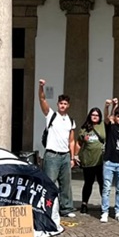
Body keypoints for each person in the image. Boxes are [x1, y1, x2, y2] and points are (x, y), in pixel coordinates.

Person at [38, 78, 77, 218]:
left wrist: (72, 157)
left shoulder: (71, 121)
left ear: (68, 105)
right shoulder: (51, 115)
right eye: (61, 103)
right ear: (58, 104)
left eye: (65, 104)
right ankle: (45, 207)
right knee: (49, 183)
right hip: (52, 155)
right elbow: (42, 100)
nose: (63, 105)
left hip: (65, 155)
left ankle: (66, 208)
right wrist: (41, 87)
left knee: (66, 184)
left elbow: (71, 141)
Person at [100, 99, 119, 223]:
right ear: (115, 117)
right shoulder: (111, 126)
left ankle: (118, 211)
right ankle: (104, 212)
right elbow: (107, 117)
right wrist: (108, 106)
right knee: (106, 189)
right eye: (118, 116)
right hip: (109, 162)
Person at [76, 107, 105, 215]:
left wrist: (109, 106)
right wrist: (75, 155)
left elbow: (110, 116)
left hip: (101, 161)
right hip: (88, 160)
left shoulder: (103, 125)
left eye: (97, 115)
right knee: (88, 183)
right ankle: (84, 204)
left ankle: (104, 205)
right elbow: (78, 143)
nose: (95, 117)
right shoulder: (84, 128)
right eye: (93, 114)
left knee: (103, 184)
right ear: (89, 116)